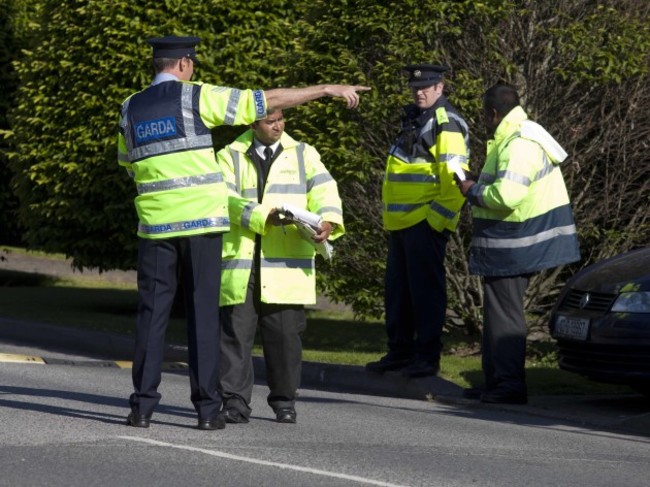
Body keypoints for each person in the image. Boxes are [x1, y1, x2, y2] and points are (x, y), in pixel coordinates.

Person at [117, 35, 368, 430]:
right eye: (193, 64)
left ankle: (142, 408)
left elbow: (128, 162)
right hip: (200, 223)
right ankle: (205, 410)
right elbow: (268, 101)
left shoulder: (129, 107)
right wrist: (326, 89)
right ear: (184, 64)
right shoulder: (195, 97)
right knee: (202, 317)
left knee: (152, 318)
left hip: (153, 227)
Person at [215, 109, 344, 424]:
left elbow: (326, 190)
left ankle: (285, 402)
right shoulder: (228, 155)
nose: (278, 125)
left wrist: (328, 221)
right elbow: (222, 198)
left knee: (285, 337)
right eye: (271, 121)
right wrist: (264, 216)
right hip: (242, 262)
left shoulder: (303, 153)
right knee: (235, 335)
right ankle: (234, 403)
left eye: (281, 119)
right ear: (252, 123)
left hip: (285, 265)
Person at [458, 83, 580, 404]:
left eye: (485, 115)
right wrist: (473, 181)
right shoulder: (519, 136)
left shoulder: (518, 142)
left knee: (506, 317)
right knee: (497, 316)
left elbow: (508, 195)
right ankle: (495, 382)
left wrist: (470, 189)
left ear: (492, 113)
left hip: (513, 244)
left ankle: (508, 385)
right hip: (511, 242)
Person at [365, 64, 470, 378]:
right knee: (398, 293)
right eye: (415, 88)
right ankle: (400, 352)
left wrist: (436, 222)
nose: (419, 92)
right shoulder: (414, 118)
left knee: (425, 294)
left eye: (426, 86)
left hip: (424, 221)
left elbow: (456, 180)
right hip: (402, 223)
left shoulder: (445, 123)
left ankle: (426, 358)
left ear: (441, 87)